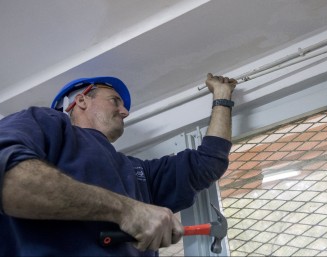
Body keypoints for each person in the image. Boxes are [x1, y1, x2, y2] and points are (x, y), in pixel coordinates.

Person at [0, 73, 237, 256]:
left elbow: (208, 162)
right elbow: (10, 180)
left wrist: (222, 96)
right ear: (81, 100)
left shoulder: (138, 172)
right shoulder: (46, 123)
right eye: (115, 100)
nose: (124, 112)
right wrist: (127, 210)